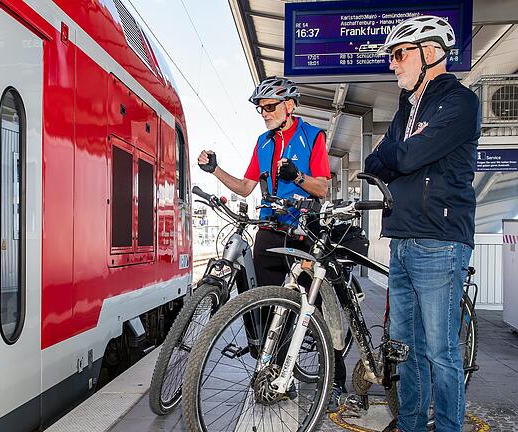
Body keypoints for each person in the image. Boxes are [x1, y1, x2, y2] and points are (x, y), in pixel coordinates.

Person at [197, 76, 348, 411]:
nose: (264, 113)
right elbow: (245, 187)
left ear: (289, 105)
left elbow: (322, 188)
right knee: (267, 306)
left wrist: (296, 177)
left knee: (317, 307)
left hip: (303, 229)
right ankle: (279, 375)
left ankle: (336, 380)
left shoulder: (312, 137)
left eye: (270, 106)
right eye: (260, 108)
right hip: (269, 227)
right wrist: (214, 169)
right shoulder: (262, 142)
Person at [364, 15, 480, 432]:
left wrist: (398, 152)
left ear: (429, 54)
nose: (392, 64)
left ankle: (448, 427)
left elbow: (405, 158)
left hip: (439, 240)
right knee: (404, 348)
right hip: (401, 236)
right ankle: (412, 423)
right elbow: (372, 162)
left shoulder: (460, 103)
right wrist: (399, 151)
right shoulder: (406, 109)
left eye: (399, 54)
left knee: (441, 351)